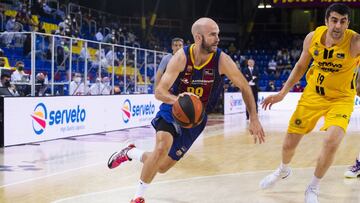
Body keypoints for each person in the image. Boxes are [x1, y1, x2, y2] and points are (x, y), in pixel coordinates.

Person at [107, 17, 265, 203]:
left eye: (218, 34)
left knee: (162, 166)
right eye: (213, 34)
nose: (218, 38)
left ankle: (131, 152)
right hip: (172, 109)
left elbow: (245, 86)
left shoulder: (222, 60)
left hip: (197, 118)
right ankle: (138, 197)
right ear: (198, 38)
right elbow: (159, 91)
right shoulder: (181, 57)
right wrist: (178, 100)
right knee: (161, 147)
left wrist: (253, 118)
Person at [259, 4, 360, 203]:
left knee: (332, 141)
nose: (338, 25)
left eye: (343, 21)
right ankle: (283, 170)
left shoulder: (355, 42)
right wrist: (282, 93)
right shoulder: (312, 38)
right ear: (326, 21)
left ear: (348, 23)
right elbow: (300, 67)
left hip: (341, 99)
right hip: (313, 95)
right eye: (334, 20)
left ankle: (313, 187)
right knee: (289, 143)